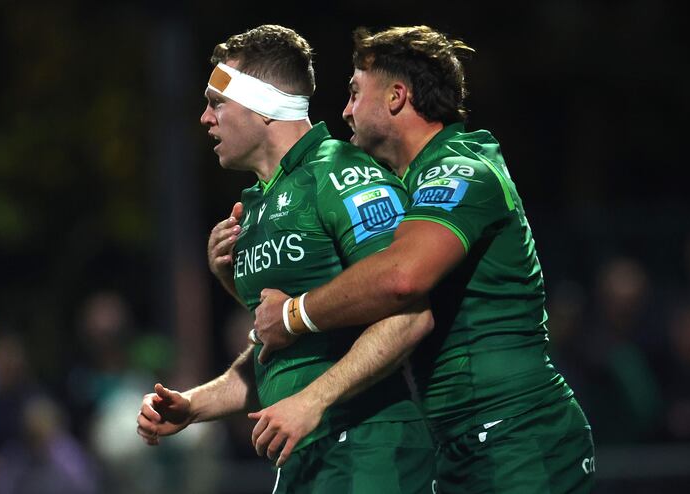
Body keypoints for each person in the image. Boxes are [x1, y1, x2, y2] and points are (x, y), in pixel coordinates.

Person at [252, 26, 595, 493]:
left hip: (517, 436)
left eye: (355, 93)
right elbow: (358, 296)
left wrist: (294, 315)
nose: (345, 110)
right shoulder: (408, 187)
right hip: (460, 445)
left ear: (396, 96)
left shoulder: (460, 169)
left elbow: (400, 278)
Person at [136, 25, 436, 493]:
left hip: (371, 453)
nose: (204, 119)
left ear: (265, 107)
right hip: (303, 461)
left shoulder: (341, 173)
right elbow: (280, 350)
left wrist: (311, 401)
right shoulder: (253, 209)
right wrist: (194, 405)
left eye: (217, 102)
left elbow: (408, 316)